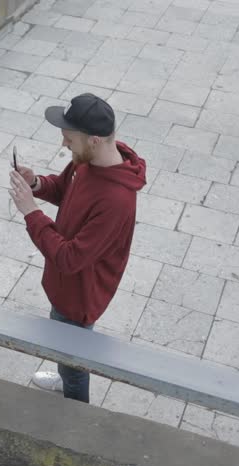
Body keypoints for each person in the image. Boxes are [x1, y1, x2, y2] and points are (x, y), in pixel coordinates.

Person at [8, 93, 147, 403]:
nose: (64, 145)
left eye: (68, 139)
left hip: (79, 296)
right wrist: (37, 185)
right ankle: (64, 374)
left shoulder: (116, 201)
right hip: (65, 287)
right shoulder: (87, 161)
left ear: (94, 140)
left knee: (74, 362)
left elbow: (70, 259)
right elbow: (66, 187)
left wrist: (31, 213)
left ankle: (74, 405)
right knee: (64, 348)